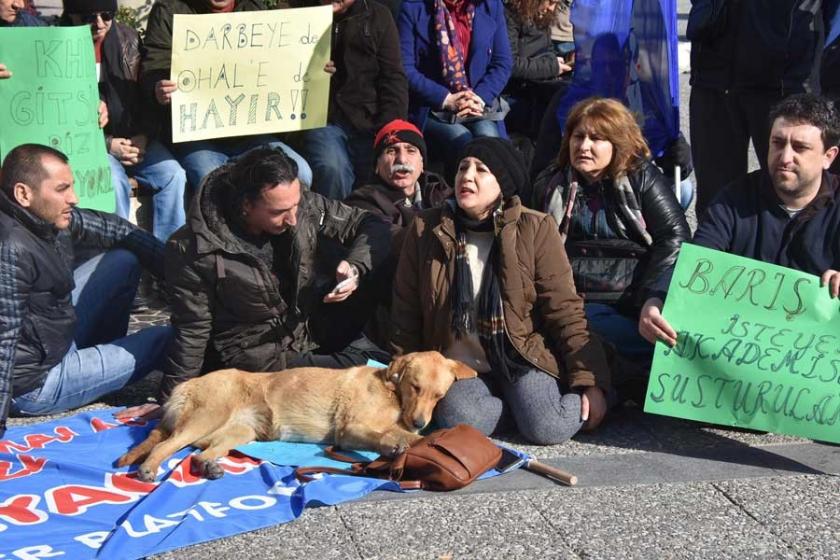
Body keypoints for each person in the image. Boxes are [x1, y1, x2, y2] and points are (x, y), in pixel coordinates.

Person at [119, 146, 391, 418]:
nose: (293, 218)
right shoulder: (192, 249)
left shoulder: (297, 202)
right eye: (280, 212)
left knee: (382, 272)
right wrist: (173, 402)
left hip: (303, 326)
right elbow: (192, 330)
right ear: (246, 206)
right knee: (372, 374)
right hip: (259, 358)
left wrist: (355, 268)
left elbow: (369, 224)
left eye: (296, 205)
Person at [391, 137, 611, 445]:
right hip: (460, 365)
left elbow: (564, 310)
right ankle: (519, 411)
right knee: (458, 420)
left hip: (519, 356)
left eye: (481, 170)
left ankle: (543, 405)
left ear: (503, 184)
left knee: (548, 427)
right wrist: (401, 371)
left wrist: (592, 382)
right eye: (462, 168)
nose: (466, 176)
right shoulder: (426, 228)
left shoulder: (536, 228)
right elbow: (406, 310)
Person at [0, 144, 173, 438]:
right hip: (34, 384)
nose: (74, 198)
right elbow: (4, 340)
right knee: (168, 336)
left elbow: (116, 229)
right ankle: (97, 370)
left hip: (53, 337)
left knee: (122, 260)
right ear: (23, 194)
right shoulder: (10, 248)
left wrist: (180, 270)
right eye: (62, 189)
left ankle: (101, 358)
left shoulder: (43, 218)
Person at [639, 94, 840, 347]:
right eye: (777, 143)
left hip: (817, 359)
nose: (785, 157)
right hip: (740, 355)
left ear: (829, 156)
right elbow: (697, 259)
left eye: (800, 147)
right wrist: (658, 299)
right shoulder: (735, 198)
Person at [531, 97, 689, 363]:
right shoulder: (550, 185)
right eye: (578, 136)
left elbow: (675, 238)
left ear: (618, 144)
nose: (584, 146)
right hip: (577, 302)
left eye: (596, 138)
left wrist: (650, 298)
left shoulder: (641, 178)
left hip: (637, 297)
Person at [139, 0, 312, 190]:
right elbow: (153, 64)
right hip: (195, 135)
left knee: (300, 172)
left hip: (250, 134)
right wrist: (157, 88)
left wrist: (313, 69)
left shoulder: (255, 9)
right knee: (213, 184)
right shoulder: (170, 10)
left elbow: (283, 62)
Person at [61, 0, 187, 243]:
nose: (98, 23)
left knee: (174, 174)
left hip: (134, 138)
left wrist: (144, 136)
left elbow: (146, 96)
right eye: (89, 16)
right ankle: (117, 255)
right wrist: (107, 144)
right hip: (88, 145)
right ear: (73, 15)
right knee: (112, 182)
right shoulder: (57, 45)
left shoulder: (127, 39)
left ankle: (167, 258)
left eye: (106, 15)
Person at [687, 0, 824, 213]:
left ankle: (799, 247)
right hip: (713, 72)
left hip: (785, 79)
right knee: (713, 200)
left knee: (794, 192)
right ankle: (710, 247)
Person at [345, 119, 452, 345]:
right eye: (391, 151)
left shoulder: (444, 193)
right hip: (392, 312)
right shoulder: (362, 201)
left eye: (411, 150)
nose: (402, 160)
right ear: (376, 165)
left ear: (423, 163)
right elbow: (390, 239)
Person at [297, 0, 408, 200]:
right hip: (322, 118)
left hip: (370, 119)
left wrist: (390, 129)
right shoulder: (299, 16)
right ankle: (335, 224)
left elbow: (393, 78)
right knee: (332, 167)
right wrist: (311, 68)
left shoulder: (378, 16)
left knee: (375, 169)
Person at [398, 0, 513, 171]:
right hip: (432, 105)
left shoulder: (491, 5)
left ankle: (494, 196)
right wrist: (447, 99)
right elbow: (405, 68)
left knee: (488, 139)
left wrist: (479, 98)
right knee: (461, 139)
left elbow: (502, 62)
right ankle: (457, 194)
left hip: (477, 103)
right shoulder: (413, 8)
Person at [502, 0, 571, 139]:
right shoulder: (511, 16)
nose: (552, 9)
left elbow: (548, 50)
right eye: (550, 2)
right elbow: (511, 65)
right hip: (517, 91)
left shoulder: (542, 17)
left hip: (539, 83)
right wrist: (552, 67)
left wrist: (564, 61)